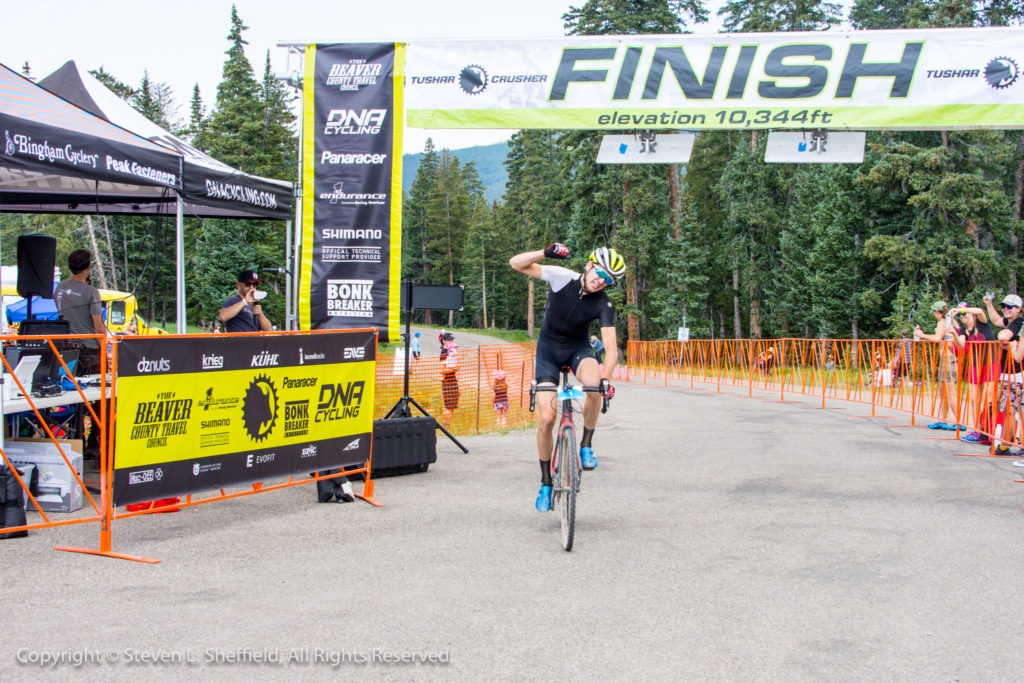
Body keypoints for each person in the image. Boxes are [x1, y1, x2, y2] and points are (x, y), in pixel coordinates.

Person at [510, 243, 621, 512]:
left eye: (608, 279)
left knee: (594, 386)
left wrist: (606, 378)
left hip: (578, 350)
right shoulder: (562, 277)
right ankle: (546, 483)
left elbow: (612, 349)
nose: (600, 281)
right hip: (548, 350)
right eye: (599, 272)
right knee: (547, 419)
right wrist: (545, 253)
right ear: (589, 265)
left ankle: (585, 446)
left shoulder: (604, 303)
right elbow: (516, 263)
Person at [54, 249, 107, 460]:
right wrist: (105, 346)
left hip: (66, 348)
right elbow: (98, 327)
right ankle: (94, 444)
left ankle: (75, 440)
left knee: (73, 398)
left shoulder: (59, 288)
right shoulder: (90, 292)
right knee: (101, 399)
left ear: (69, 267)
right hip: (90, 350)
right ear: (88, 268)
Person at [982, 293, 1024, 455]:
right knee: (1009, 410)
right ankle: (1005, 445)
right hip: (1009, 373)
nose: (1006, 309)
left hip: (1017, 374)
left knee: (1015, 411)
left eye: (1010, 307)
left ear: (1018, 310)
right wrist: (988, 304)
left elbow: (1002, 335)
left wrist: (1006, 342)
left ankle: (1012, 444)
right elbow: (996, 321)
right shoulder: (1011, 322)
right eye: (1004, 306)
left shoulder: (1019, 322)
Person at [950, 303, 996, 445]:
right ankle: (977, 429)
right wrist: (953, 333)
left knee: (988, 399)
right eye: (960, 315)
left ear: (971, 314)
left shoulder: (981, 323)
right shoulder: (963, 330)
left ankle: (990, 430)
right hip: (975, 365)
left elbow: (980, 310)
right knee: (974, 400)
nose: (962, 316)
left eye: (964, 314)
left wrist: (961, 310)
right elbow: (962, 345)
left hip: (990, 363)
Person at [914, 301, 962, 431]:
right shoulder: (951, 321)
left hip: (948, 359)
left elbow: (937, 338)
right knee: (943, 392)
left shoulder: (942, 322)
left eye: (934, 312)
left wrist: (921, 335)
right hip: (947, 358)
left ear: (937, 312)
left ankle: (959, 422)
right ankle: (944, 420)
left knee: (950, 392)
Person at [440, 338, 460, 423]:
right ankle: (446, 426)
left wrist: (456, 368)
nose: (451, 342)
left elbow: (458, 364)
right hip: (447, 382)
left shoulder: (452, 352)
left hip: (454, 381)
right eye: (449, 340)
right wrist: (455, 369)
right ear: (444, 341)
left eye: (452, 340)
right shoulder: (444, 352)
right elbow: (442, 370)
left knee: (452, 406)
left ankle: (449, 427)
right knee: (448, 406)